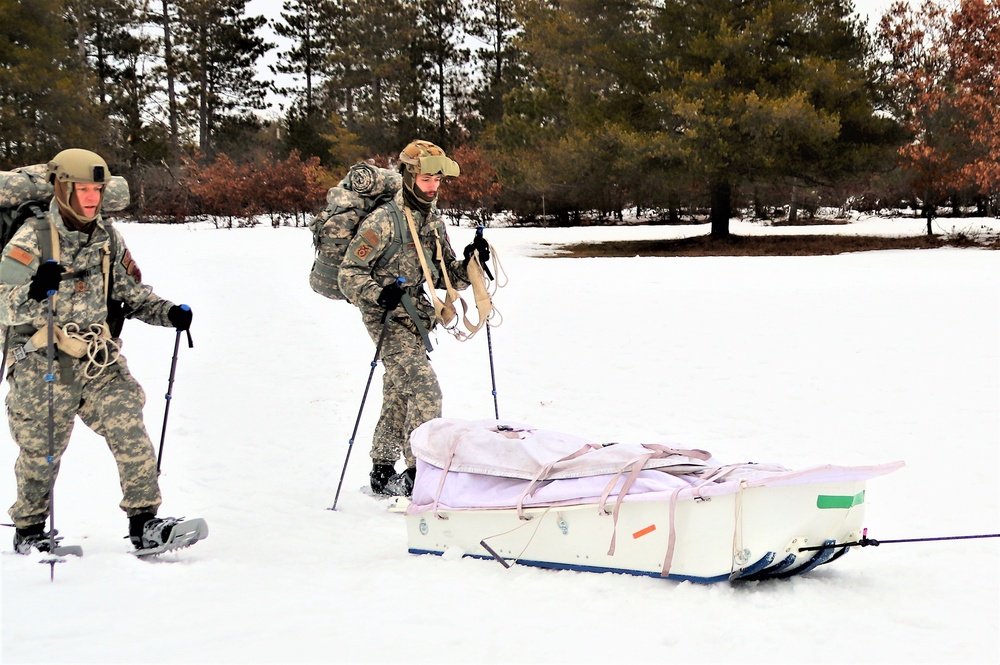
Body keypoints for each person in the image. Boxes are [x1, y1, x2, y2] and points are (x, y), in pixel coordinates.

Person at [1, 148, 195, 554]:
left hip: (96, 358)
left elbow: (130, 293)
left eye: (98, 189)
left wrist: (168, 312)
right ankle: (30, 531)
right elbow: (2, 301)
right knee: (42, 453)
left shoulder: (106, 236)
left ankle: (145, 523)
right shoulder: (32, 237)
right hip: (41, 363)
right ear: (62, 188)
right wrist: (35, 290)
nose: (92, 198)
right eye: (82, 189)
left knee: (129, 424)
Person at [339, 140, 489, 497]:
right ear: (409, 176)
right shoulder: (383, 221)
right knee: (424, 388)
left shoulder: (432, 219)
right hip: (385, 316)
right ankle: (421, 471)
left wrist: (471, 262)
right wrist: (378, 293)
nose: (433, 187)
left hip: (416, 315)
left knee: (399, 390)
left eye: (438, 180)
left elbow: (443, 277)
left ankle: (382, 469)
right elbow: (348, 274)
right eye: (425, 179)